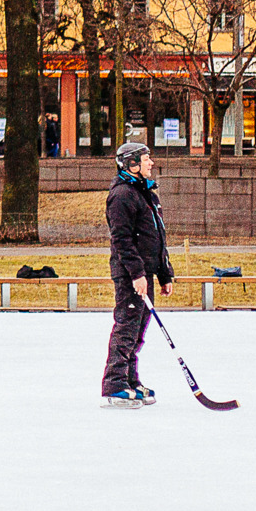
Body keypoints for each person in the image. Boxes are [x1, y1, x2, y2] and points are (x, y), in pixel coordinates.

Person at [102, 141, 173, 407]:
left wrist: (165, 274)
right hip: (131, 274)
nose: (151, 163)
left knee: (139, 330)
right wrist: (136, 273)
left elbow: (158, 235)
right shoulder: (121, 195)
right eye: (146, 159)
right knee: (127, 326)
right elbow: (121, 239)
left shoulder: (146, 192)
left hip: (146, 273)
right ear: (132, 164)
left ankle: (131, 379)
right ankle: (114, 383)